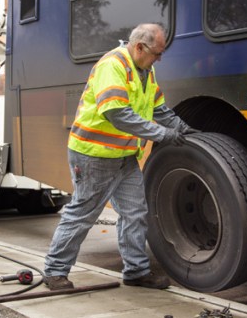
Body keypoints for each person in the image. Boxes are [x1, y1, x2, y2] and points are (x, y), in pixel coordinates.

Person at [44, 23, 198, 290]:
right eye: (157, 53)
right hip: (94, 155)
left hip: (124, 156)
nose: (159, 59)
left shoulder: (146, 71)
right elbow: (117, 114)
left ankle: (136, 272)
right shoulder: (112, 66)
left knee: (135, 213)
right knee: (82, 214)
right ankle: (55, 271)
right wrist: (162, 135)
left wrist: (184, 130)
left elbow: (158, 109)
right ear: (139, 47)